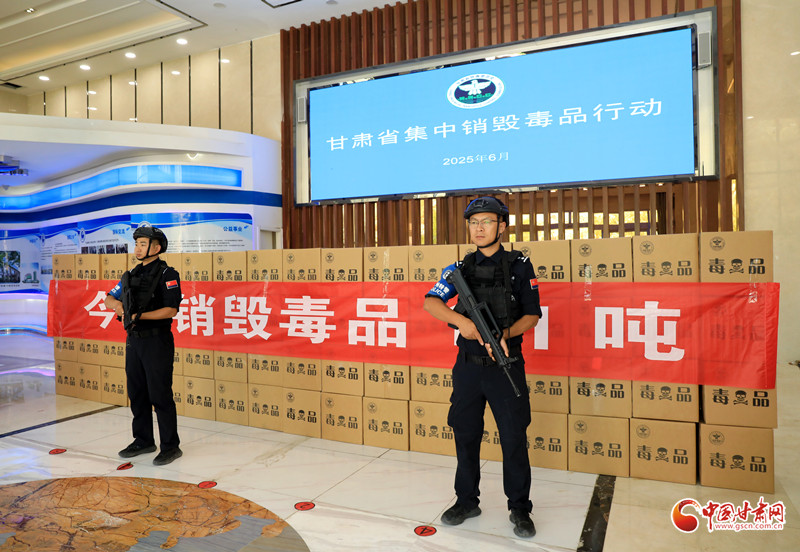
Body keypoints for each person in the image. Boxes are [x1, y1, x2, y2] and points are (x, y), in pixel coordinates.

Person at [423, 196, 542, 538]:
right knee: (465, 433)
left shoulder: (520, 266)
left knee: (513, 436)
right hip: (468, 367)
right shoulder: (458, 270)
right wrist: (463, 323)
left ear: (501, 227)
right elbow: (431, 302)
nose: (479, 228)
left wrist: (503, 334)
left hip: (506, 365)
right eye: (474, 222)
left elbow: (532, 316)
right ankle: (466, 500)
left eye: (487, 221)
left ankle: (519, 508)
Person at [104, 225, 183, 466]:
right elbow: (109, 298)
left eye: (142, 244)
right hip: (134, 341)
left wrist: (139, 316)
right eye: (136, 244)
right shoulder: (131, 274)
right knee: (137, 393)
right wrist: (119, 307)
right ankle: (143, 440)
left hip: (157, 341)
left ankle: (170, 446)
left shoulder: (167, 274)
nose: (137, 248)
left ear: (156, 248)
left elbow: (171, 310)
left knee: (160, 394)